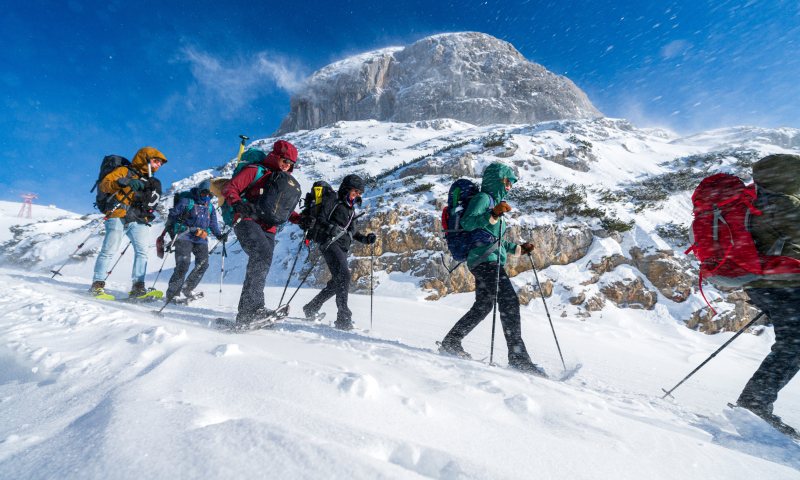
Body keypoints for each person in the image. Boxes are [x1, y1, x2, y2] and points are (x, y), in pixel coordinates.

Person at [438, 162, 544, 376]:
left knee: (484, 305)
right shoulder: (483, 199)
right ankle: (518, 357)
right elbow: (468, 223)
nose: (509, 187)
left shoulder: (493, 202)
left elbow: (492, 240)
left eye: (511, 184)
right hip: (485, 261)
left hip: (487, 259)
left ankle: (451, 341)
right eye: (507, 182)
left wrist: (519, 249)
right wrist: (493, 213)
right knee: (509, 301)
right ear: (497, 180)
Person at [735, 153, 800, 434]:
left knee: (793, 344)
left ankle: (756, 400)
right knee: (794, 345)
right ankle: (754, 402)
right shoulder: (784, 202)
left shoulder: (753, 197)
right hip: (782, 283)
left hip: (762, 282)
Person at [222, 140, 301, 324]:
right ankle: (253, 309)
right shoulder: (255, 171)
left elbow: (283, 210)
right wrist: (238, 203)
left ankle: (246, 313)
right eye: (284, 160)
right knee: (261, 255)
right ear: (275, 156)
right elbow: (229, 188)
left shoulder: (282, 182)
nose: (287, 166)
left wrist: (300, 219)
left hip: (269, 229)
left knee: (262, 263)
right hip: (246, 220)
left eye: (290, 164)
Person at [302, 174, 377, 330]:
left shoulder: (350, 210)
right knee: (344, 275)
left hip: (342, 247)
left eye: (360, 193)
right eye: (355, 191)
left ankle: (311, 307)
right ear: (346, 188)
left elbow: (353, 233)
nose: (357, 195)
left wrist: (366, 239)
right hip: (329, 243)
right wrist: (332, 228)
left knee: (338, 281)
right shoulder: (333, 199)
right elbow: (321, 219)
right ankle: (343, 317)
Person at [90, 147, 166, 300]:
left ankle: (138, 287)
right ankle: (97, 286)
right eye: (155, 160)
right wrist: (122, 182)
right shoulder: (125, 171)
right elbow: (105, 185)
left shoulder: (152, 181)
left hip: (139, 219)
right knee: (109, 250)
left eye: (160, 163)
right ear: (145, 158)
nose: (158, 164)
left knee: (142, 252)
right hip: (118, 214)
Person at [164, 180, 226, 302]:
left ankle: (188, 287)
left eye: (209, 194)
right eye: (204, 193)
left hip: (200, 239)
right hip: (184, 236)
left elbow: (213, 224)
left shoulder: (210, 207)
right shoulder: (186, 201)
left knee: (203, 263)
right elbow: (172, 215)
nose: (206, 196)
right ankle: (172, 294)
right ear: (198, 191)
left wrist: (219, 235)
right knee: (183, 264)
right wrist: (178, 218)